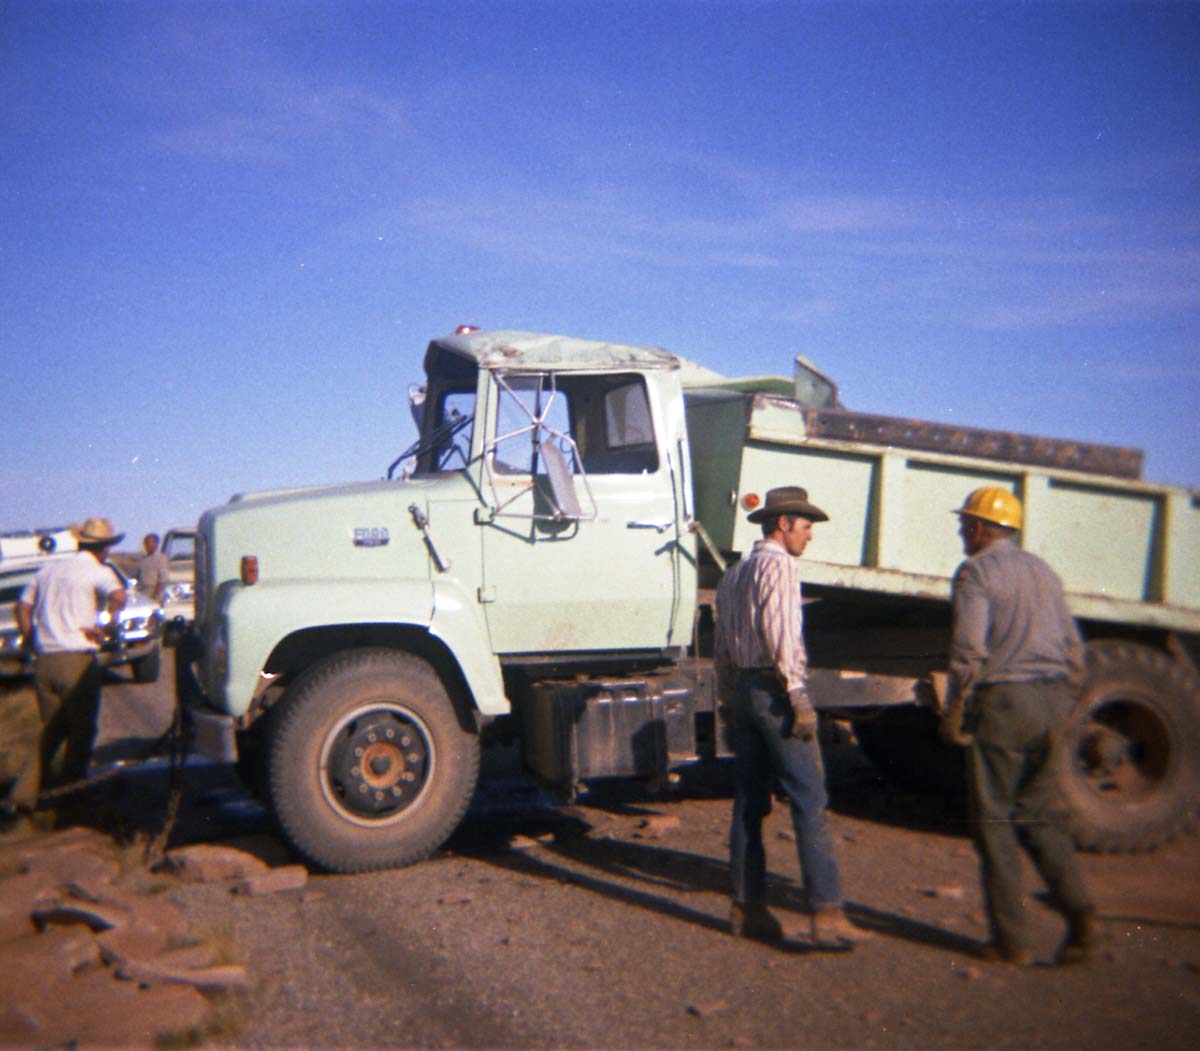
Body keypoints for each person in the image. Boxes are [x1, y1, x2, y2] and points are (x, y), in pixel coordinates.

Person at [940, 487, 1095, 966]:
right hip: (1054, 701)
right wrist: (1065, 703)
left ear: (983, 529)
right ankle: (1081, 916)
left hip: (1005, 703)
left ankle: (1013, 941)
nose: (962, 532)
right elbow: (1074, 649)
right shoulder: (1044, 573)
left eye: (967, 524)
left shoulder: (976, 572)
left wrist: (955, 711)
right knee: (1041, 814)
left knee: (994, 822)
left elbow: (969, 651)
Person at [714, 486, 865, 949]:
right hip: (777, 691)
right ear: (783, 525)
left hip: (743, 691)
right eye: (806, 526)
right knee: (809, 799)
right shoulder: (779, 566)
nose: (810, 536)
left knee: (749, 801)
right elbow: (782, 634)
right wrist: (798, 695)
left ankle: (747, 908)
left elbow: (721, 649)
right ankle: (827, 914)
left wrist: (726, 703)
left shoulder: (733, 576)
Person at [13, 517, 127, 817]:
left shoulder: (48, 570)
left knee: (52, 731)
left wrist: (29, 635)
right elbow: (119, 596)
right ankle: (71, 797)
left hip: (45, 661)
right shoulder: (98, 571)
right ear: (103, 548)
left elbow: (22, 605)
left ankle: (24, 796)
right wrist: (106, 621)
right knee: (81, 733)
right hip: (75, 661)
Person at [136, 532, 169, 603]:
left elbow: (163, 578)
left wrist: (155, 595)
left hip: (154, 591)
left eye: (152, 543)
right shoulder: (143, 559)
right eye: (147, 543)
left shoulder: (161, 558)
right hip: (143, 591)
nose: (149, 545)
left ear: (156, 544)